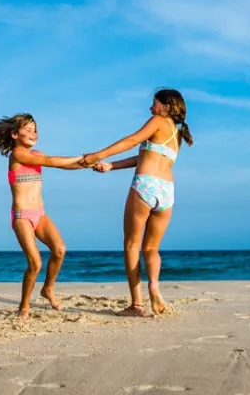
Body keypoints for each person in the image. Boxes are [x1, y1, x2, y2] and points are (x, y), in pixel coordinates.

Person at [82, 89, 193, 316]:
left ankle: (137, 305)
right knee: (151, 248)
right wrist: (111, 165)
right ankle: (154, 286)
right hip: (167, 191)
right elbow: (142, 156)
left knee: (131, 245)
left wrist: (97, 155)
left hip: (145, 185)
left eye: (154, 103)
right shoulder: (177, 135)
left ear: (166, 107)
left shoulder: (158, 121)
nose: (150, 108)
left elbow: (133, 141)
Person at [0, 113, 85, 318]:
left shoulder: (35, 154)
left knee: (60, 249)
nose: (33, 133)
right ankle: (24, 306)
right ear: (14, 134)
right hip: (22, 217)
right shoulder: (17, 155)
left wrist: (89, 162)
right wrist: (83, 157)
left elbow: (63, 164)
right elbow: (52, 161)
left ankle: (48, 289)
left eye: (35, 130)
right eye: (28, 130)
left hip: (40, 214)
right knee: (35, 263)